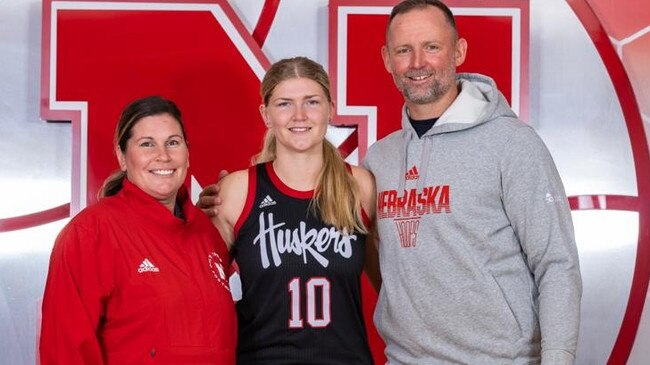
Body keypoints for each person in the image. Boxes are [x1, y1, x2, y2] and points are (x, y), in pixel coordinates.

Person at [362, 0, 582, 364]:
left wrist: (558, 359)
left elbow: (556, 263)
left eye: (432, 47)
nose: (417, 63)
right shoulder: (380, 159)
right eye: (404, 50)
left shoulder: (512, 144)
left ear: (458, 51)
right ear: (387, 59)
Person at [39, 96, 237, 364]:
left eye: (173, 142)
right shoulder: (91, 233)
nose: (163, 156)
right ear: (122, 157)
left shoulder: (206, 232)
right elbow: (65, 350)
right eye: (147, 144)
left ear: (187, 153)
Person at [210, 56, 379, 364]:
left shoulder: (360, 187)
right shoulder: (238, 191)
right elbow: (198, 290)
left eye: (312, 102)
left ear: (330, 108)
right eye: (285, 104)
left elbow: (392, 285)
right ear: (266, 114)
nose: (299, 115)